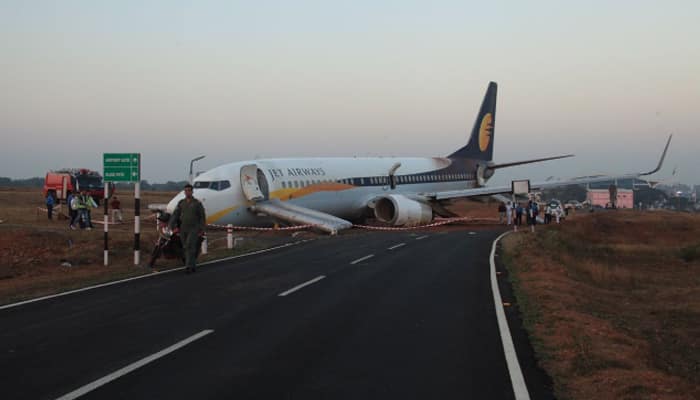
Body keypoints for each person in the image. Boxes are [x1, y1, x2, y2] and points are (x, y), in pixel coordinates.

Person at [169, 184, 206, 273]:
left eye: (189, 190)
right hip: (183, 228)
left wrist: (202, 229)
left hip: (193, 228)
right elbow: (175, 215)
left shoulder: (197, 203)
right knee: (185, 247)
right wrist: (172, 227)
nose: (187, 192)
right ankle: (192, 265)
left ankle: (188, 266)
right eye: (186, 191)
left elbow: (202, 217)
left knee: (190, 245)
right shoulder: (181, 203)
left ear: (192, 191)